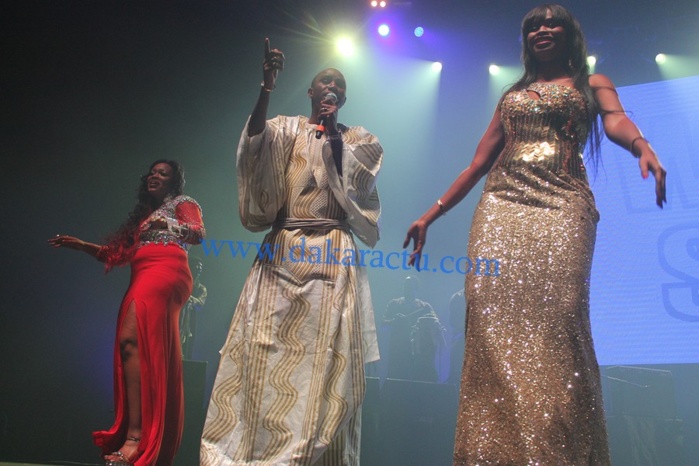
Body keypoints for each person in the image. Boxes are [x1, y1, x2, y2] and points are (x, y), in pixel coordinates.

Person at [404, 4, 666, 464]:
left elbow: (616, 121)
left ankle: (556, 448)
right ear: (526, 40)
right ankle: (495, 451)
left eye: (552, 24)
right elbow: (477, 163)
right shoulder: (512, 95)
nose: (542, 30)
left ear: (569, 35)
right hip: (502, 206)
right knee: (487, 312)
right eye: (534, 26)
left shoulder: (591, 84)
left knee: (560, 314)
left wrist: (641, 146)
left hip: (563, 205)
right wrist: (431, 214)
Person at [200, 38, 383, 465]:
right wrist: (266, 87)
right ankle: (248, 453)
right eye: (324, 80)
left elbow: (359, 178)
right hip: (282, 250)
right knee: (263, 349)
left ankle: (314, 455)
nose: (331, 86)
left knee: (327, 359)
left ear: (343, 96)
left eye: (338, 83)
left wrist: (331, 131)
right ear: (311, 90)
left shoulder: (361, 138)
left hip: (333, 252)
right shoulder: (285, 126)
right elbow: (254, 143)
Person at [49, 159, 205, 466]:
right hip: (142, 273)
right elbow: (115, 254)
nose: (154, 176)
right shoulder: (144, 218)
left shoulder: (184, 203)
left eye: (163, 173)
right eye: (152, 172)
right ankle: (138, 434)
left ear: (174, 182)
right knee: (130, 347)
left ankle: (136, 439)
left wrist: (170, 225)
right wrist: (83, 246)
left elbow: (198, 234)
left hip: (166, 271)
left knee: (130, 340)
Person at [382, 276, 441, 382]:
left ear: (416, 288)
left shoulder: (424, 306)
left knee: (415, 381)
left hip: (417, 352)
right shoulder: (394, 304)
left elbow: (436, 323)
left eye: (409, 286)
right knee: (395, 380)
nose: (406, 288)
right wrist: (394, 321)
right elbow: (383, 324)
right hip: (397, 352)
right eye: (405, 285)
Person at [180, 256, 207, 359]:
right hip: (178, 316)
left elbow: (200, 304)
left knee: (188, 343)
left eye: (200, 267)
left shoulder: (201, 289)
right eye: (196, 266)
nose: (199, 268)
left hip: (191, 319)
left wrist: (189, 299)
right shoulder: (182, 283)